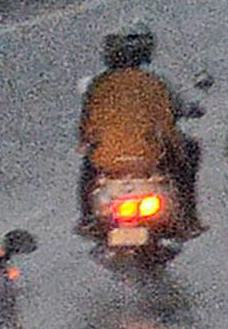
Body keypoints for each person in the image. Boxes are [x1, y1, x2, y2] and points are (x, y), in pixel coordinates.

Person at [78, 31, 200, 227]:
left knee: (87, 170)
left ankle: (86, 217)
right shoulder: (155, 81)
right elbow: (174, 109)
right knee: (188, 157)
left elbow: (85, 128)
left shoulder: (98, 84)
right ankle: (189, 216)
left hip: (107, 157)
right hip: (149, 154)